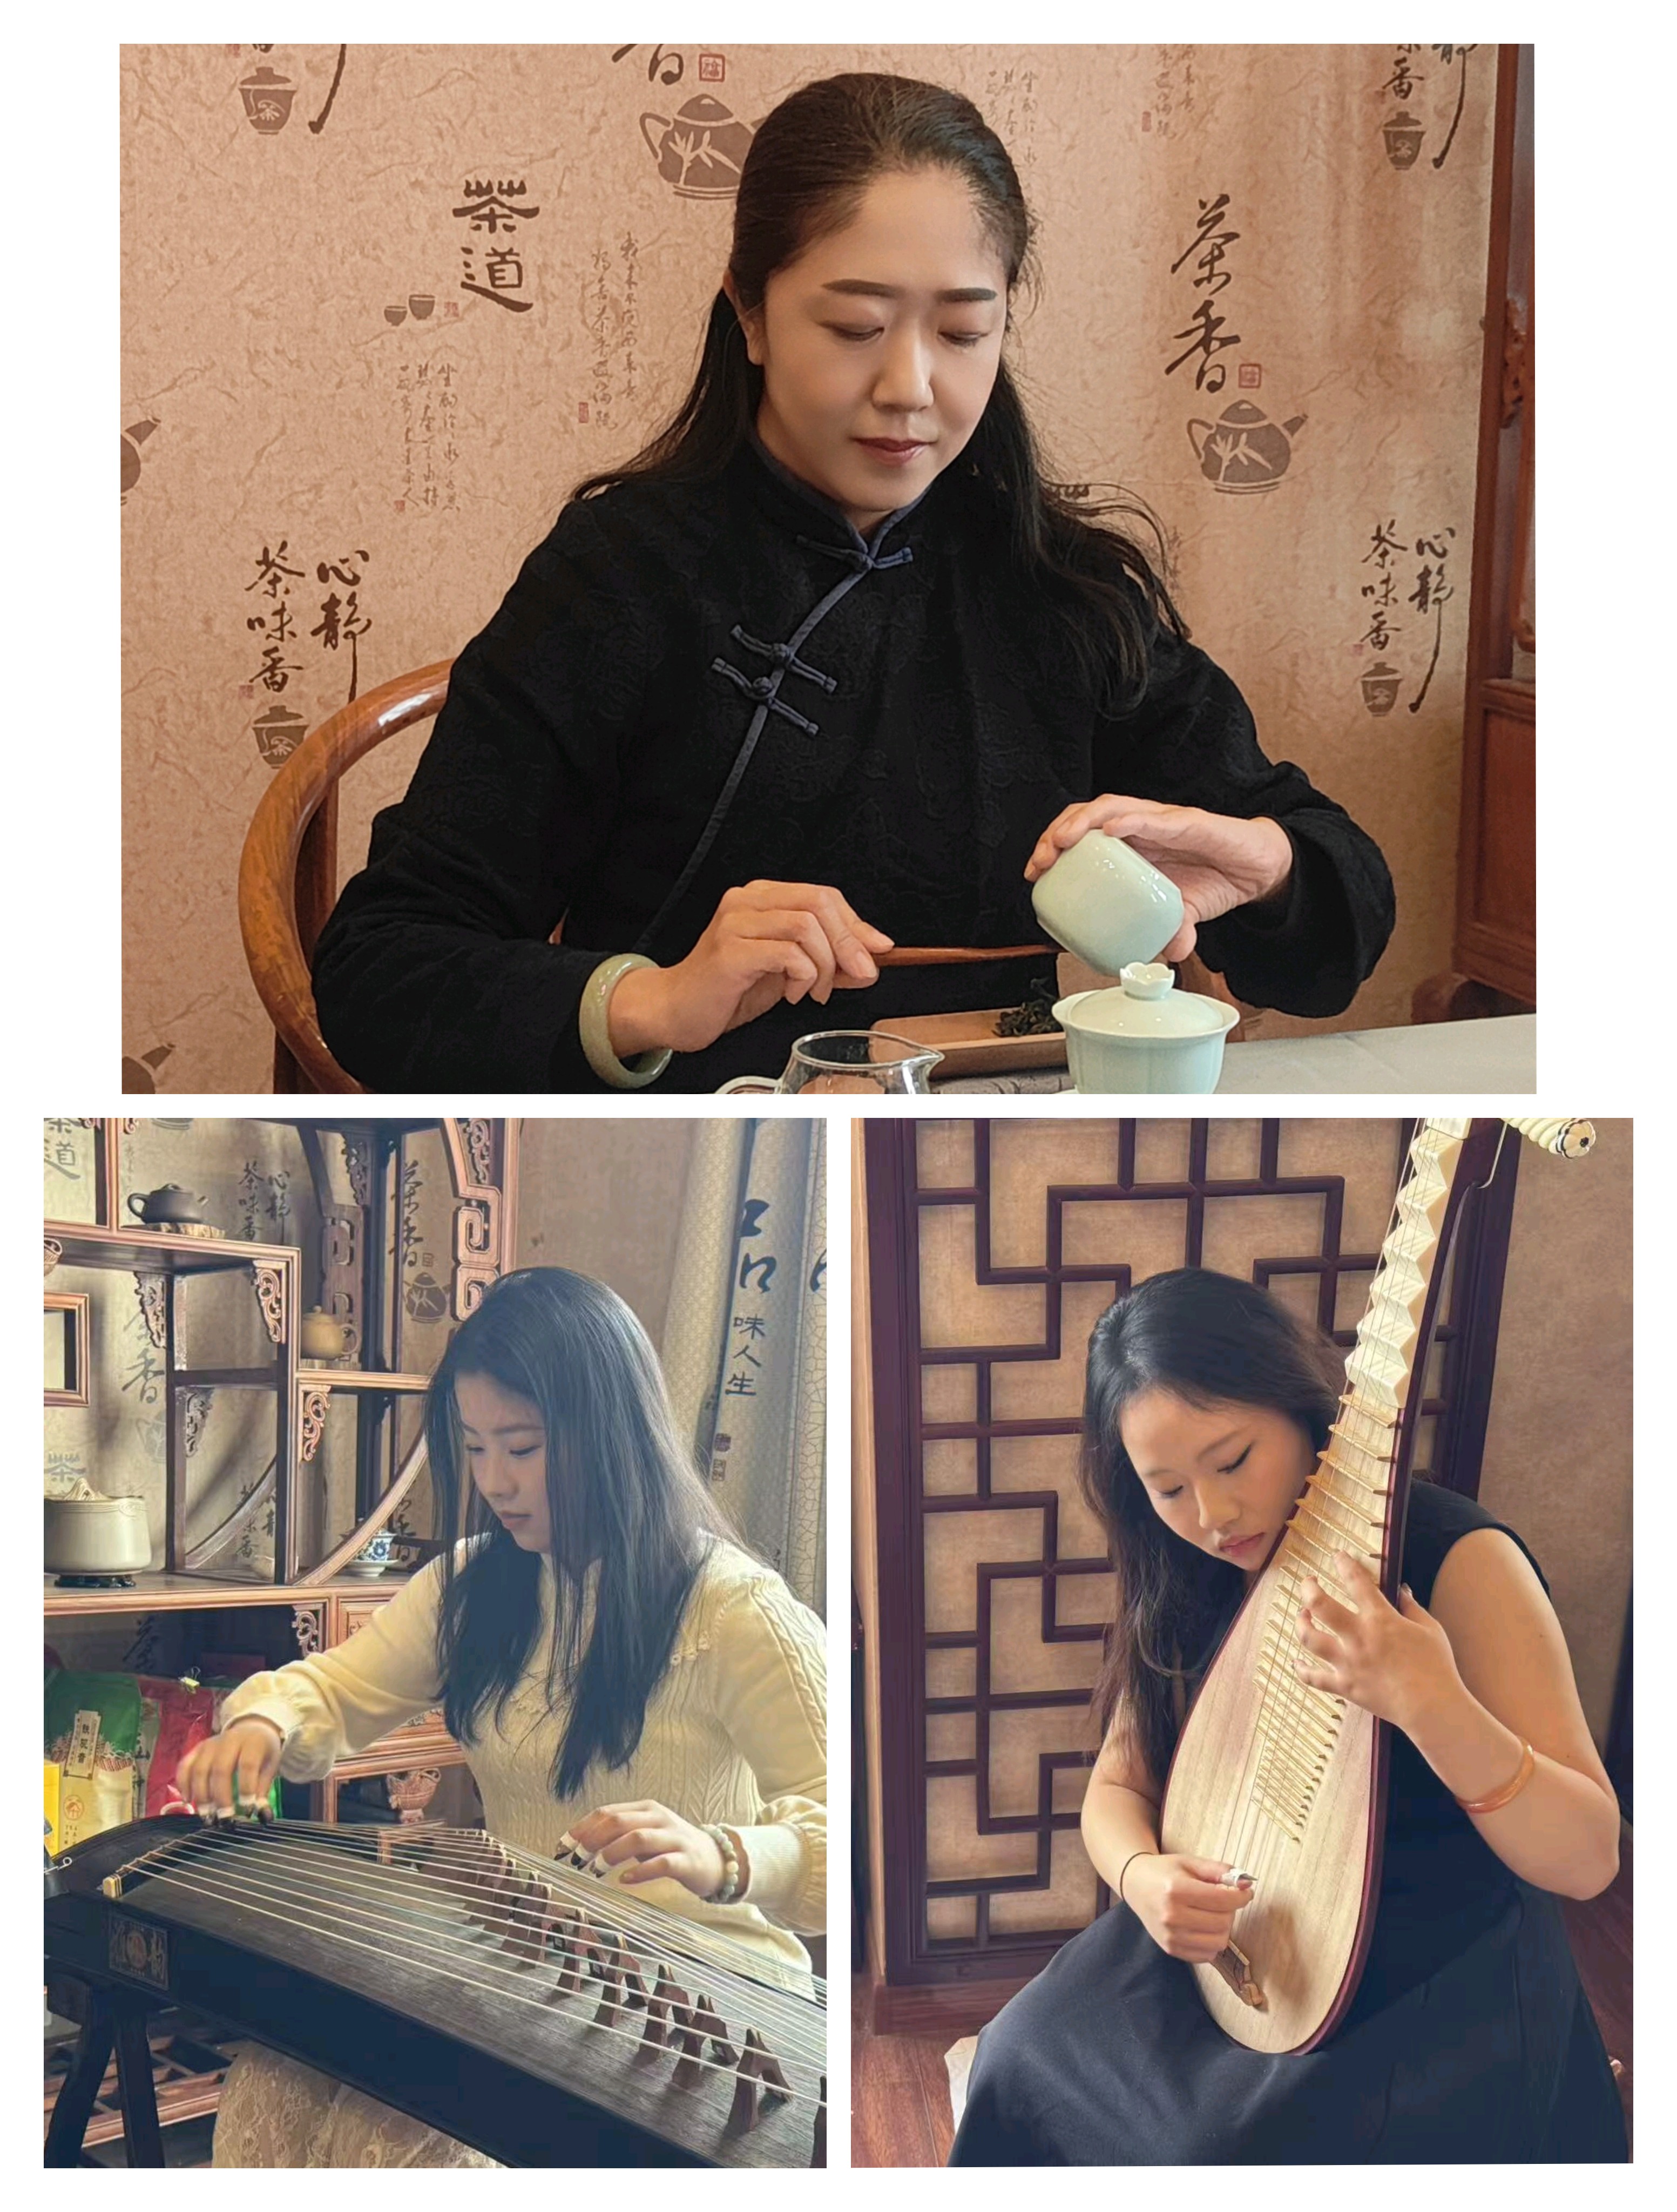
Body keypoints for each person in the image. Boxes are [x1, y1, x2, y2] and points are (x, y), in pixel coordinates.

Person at [311, 72, 1394, 1092]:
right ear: (748, 312)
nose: (909, 386)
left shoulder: (1059, 588)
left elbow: (1334, 934)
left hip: (984, 1154)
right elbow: (379, 967)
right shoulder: (618, 577)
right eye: (854, 328)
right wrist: (655, 999)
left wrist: (1268, 863)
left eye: (962, 331)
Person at [950, 1269, 1626, 2164]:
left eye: (1232, 1461)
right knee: (1018, 2054)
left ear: (1302, 1409)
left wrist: (1431, 1703)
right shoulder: (1187, 1568)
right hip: (1249, 1925)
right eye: (1167, 1488)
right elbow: (1118, 1786)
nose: (1213, 1514)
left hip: (1435, 1960)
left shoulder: (1457, 1558)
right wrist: (1143, 1878)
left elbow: (1587, 1859)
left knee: (1210, 2154)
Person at [176, 1267, 826, 2168]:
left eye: (521, 1447)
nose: (494, 1481)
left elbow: (843, 1843)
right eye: (476, 1448)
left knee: (400, 2139)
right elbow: (336, 1690)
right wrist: (262, 1727)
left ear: (610, 1433)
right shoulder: (474, 1586)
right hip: (530, 1963)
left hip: (699, 2000)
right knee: (275, 2083)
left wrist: (725, 1856)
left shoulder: (734, 1609)